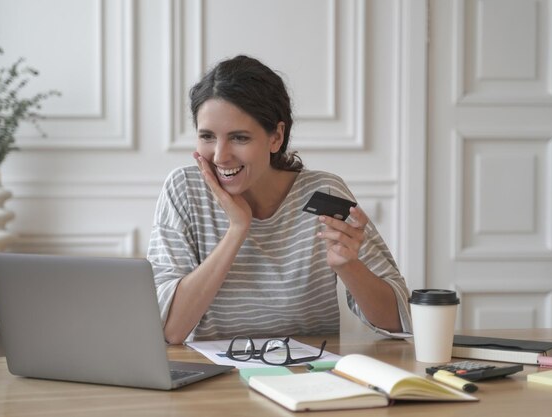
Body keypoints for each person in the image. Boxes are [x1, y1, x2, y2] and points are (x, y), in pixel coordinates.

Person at [148, 55, 412, 344]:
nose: (220, 155)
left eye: (239, 138)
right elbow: (169, 329)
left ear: (276, 136)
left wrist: (348, 266)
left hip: (304, 380)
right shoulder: (184, 190)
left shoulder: (323, 194)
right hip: (213, 383)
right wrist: (237, 229)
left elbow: (399, 320)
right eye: (207, 136)